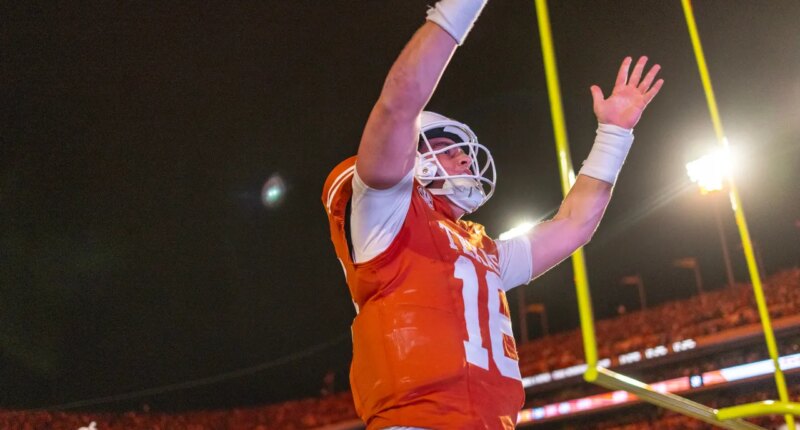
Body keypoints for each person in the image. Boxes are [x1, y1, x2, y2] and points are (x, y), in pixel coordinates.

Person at [321, 1, 663, 428]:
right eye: (449, 148)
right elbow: (399, 105)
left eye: (464, 151)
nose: (465, 158)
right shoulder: (387, 215)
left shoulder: (481, 250)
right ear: (416, 156)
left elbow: (574, 225)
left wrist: (614, 134)